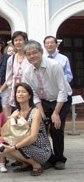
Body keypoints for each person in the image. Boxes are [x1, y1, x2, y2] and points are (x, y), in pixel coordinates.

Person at [22, 40, 72, 170]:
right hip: (43, 101)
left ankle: (60, 158)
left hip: (61, 99)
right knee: (40, 128)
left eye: (34, 53)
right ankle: (48, 158)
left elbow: (63, 90)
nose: (32, 56)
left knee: (56, 128)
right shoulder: (27, 70)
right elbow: (32, 92)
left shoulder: (54, 65)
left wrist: (56, 112)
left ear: (41, 52)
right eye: (29, 54)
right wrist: (40, 111)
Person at [0, 83, 52, 176]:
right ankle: (26, 163)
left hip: (40, 150)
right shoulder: (16, 112)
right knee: (2, 149)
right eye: (18, 92)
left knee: (16, 148)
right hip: (23, 146)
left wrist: (14, 147)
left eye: (23, 92)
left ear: (29, 96)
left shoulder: (35, 112)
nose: (20, 94)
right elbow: (3, 132)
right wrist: (11, 117)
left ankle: (37, 165)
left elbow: (33, 137)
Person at [6, 31, 30, 111]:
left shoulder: (30, 57)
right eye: (16, 40)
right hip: (16, 93)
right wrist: (10, 96)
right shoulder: (11, 59)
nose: (18, 42)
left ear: (25, 41)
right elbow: (9, 80)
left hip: (28, 91)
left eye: (20, 40)